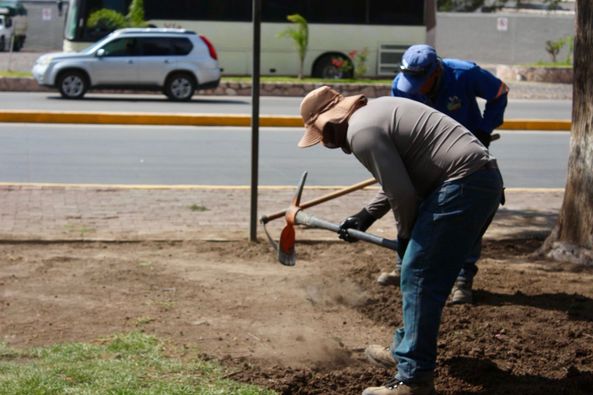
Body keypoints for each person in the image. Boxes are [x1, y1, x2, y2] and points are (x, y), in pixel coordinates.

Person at [297, 86, 503, 395]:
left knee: (419, 275)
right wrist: (366, 214)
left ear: (332, 122)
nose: (326, 143)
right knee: (423, 275)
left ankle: (413, 379)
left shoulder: (360, 132)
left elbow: (403, 195)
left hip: (462, 185)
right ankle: (407, 350)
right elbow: (401, 179)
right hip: (480, 182)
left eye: (322, 134)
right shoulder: (377, 112)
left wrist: (406, 235)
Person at [342, 44, 509, 304]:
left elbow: (499, 92)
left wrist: (485, 129)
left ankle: (463, 279)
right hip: (423, 159)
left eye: (421, 80)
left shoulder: (464, 74)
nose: (416, 87)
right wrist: (367, 214)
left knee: (465, 217)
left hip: (461, 161)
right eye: (412, 81)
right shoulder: (401, 85)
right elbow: (399, 187)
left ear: (437, 70)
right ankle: (405, 267)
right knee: (410, 207)